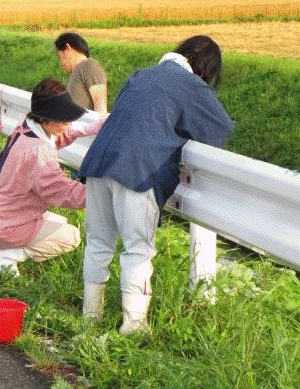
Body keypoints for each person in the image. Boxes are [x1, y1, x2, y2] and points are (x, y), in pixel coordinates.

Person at [77, 35, 234, 334]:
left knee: (98, 243)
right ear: (205, 68)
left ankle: (90, 317)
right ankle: (134, 326)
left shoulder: (143, 74)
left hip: (99, 163)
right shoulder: (191, 84)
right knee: (137, 249)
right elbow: (221, 128)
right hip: (138, 171)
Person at [0, 78, 103, 277]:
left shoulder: (26, 127)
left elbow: (53, 140)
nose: (68, 123)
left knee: (59, 222)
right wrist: (101, 192)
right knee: (71, 236)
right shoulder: (38, 152)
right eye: (63, 120)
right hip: (7, 226)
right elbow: (64, 193)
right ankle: (10, 256)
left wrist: (88, 129)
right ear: (45, 119)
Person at [55, 32, 108, 113]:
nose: (61, 62)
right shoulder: (77, 70)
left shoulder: (89, 65)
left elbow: (100, 106)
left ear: (67, 48)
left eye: (60, 56)